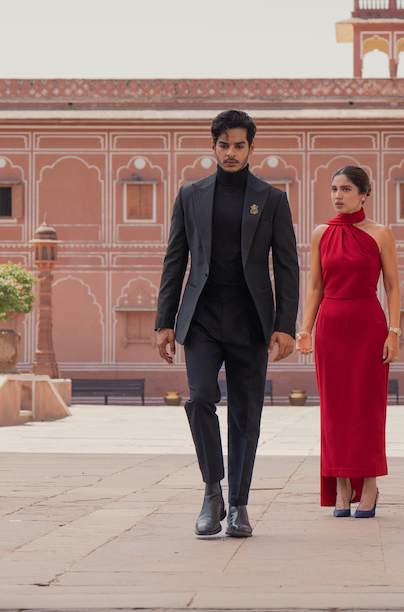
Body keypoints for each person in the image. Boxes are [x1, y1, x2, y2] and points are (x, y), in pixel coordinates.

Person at [156, 109, 299, 538]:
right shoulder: (190, 195)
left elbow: (287, 267)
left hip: (250, 319)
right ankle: (211, 491)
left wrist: (285, 325)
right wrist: (165, 320)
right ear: (213, 147)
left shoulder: (272, 199)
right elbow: (175, 260)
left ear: (251, 149)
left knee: (244, 414)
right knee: (199, 398)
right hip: (200, 316)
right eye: (224, 145)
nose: (231, 152)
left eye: (239, 145)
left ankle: (239, 505)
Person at [296, 166, 400, 519]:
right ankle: (341, 484)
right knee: (335, 409)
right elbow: (314, 287)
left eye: (346, 189)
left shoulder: (381, 234)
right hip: (331, 328)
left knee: (368, 408)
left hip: (369, 326)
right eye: (334, 189)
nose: (338, 195)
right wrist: (305, 328)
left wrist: (394, 332)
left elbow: (392, 287)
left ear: (364, 194)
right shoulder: (320, 234)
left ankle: (369, 483)